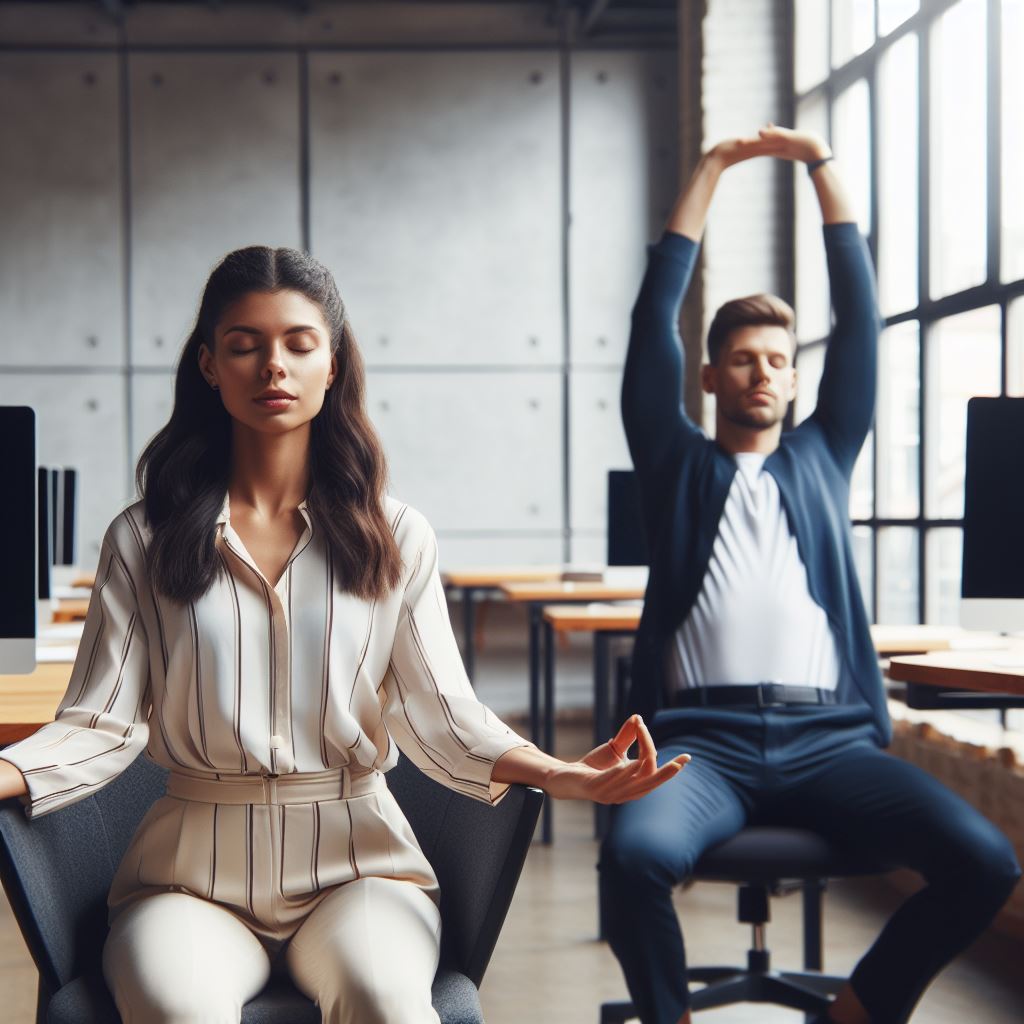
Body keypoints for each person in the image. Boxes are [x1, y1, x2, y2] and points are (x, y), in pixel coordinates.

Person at [0, 246, 689, 1024]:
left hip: (360, 865)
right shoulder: (143, 538)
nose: (273, 366)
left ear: (333, 365)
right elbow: (101, 723)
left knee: (386, 1000)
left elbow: (443, 715)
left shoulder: (396, 535)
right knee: (174, 1006)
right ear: (208, 366)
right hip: (188, 875)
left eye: (299, 343)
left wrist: (560, 772)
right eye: (244, 344)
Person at [599, 125, 1021, 1024]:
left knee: (986, 862)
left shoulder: (825, 456)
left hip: (829, 742)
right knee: (631, 861)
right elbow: (651, 324)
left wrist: (824, 168)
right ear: (710, 375)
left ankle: (860, 1009)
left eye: (780, 362)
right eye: (744, 359)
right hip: (697, 745)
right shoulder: (676, 462)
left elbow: (862, 318)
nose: (763, 373)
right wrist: (711, 168)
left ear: (797, 384)